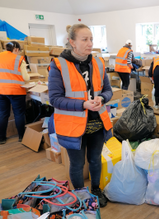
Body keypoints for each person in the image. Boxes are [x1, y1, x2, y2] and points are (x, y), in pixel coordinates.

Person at [48, 24, 113, 207]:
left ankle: (96, 190)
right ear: (72, 42)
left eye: (91, 39)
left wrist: (101, 98)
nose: (90, 43)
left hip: (96, 123)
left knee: (95, 160)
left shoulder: (98, 63)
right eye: (84, 39)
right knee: (76, 165)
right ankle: (80, 195)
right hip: (73, 126)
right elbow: (55, 99)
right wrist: (83, 104)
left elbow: (108, 91)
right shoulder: (59, 65)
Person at [0, 41, 30, 144]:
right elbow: (25, 77)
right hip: (16, 90)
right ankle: (21, 136)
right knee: (19, 114)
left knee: (3, 114)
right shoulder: (19, 59)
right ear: (16, 49)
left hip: (1, 90)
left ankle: (1, 138)